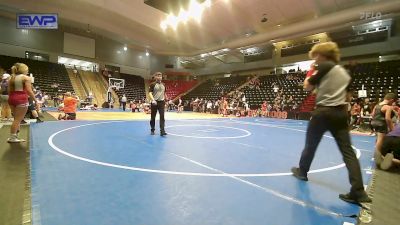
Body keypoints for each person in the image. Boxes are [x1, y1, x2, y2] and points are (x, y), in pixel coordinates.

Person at [291, 42, 371, 205]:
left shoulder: (325, 66)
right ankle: (358, 192)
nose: (316, 60)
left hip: (323, 112)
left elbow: (307, 86)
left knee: (311, 145)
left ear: (322, 55)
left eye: (316, 57)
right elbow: (347, 96)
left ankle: (302, 171)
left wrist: (312, 69)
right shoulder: (344, 72)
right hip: (340, 113)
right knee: (347, 151)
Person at [7, 63, 40, 143]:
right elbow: (29, 91)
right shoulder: (26, 78)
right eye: (27, 69)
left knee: (16, 119)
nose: (28, 71)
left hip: (11, 98)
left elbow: (9, 90)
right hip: (21, 99)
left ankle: (14, 136)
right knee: (18, 120)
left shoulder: (11, 77)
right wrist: (36, 101)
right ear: (24, 69)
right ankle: (12, 137)